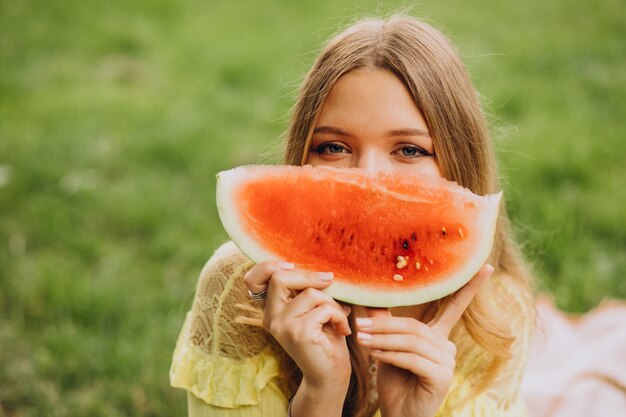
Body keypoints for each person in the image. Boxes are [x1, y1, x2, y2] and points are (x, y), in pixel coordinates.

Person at [170, 14, 535, 417]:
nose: (368, 181)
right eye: (334, 147)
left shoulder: (498, 319)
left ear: (459, 166)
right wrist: (321, 394)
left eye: (410, 150)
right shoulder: (238, 291)